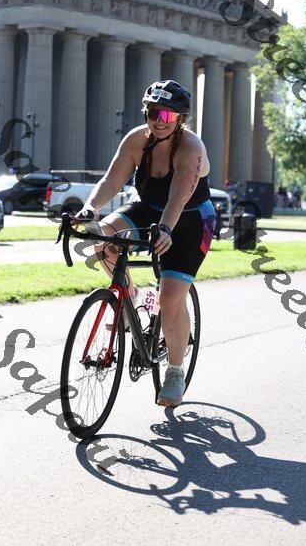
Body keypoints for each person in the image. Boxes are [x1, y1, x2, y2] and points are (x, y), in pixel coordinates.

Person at [75, 79, 216, 407]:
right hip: (148, 207)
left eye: (166, 115)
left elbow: (178, 198)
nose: (158, 120)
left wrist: (165, 229)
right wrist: (90, 208)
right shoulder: (137, 140)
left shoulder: (191, 149)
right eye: (153, 113)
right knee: (103, 238)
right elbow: (112, 179)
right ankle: (130, 296)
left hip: (191, 219)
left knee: (170, 299)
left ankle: (176, 372)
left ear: (181, 118)